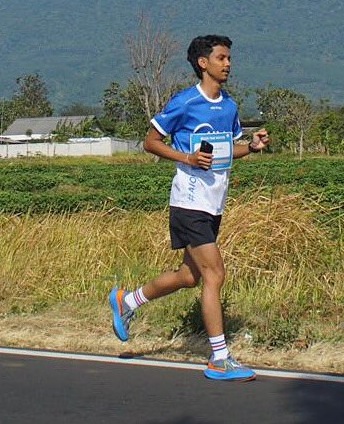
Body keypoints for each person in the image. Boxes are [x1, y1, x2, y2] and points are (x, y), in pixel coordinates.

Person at [108, 34, 269, 381]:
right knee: (215, 274)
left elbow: (229, 150)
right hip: (188, 201)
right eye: (222, 58)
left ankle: (127, 301)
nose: (228, 64)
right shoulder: (184, 102)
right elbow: (149, 142)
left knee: (190, 276)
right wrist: (187, 157)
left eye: (229, 58)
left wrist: (252, 147)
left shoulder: (229, 106)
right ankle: (219, 358)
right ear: (203, 63)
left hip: (214, 205)